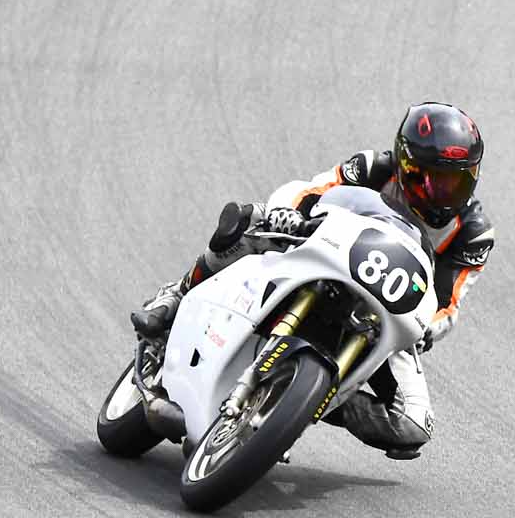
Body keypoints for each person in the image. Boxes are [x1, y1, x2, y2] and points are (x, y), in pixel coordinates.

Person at [131, 102, 492, 459]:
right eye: (432, 179)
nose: (443, 193)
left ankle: (298, 402)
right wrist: (287, 213)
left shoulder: (473, 233)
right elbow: (312, 189)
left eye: (456, 182)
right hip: (325, 251)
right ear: (405, 165)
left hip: (385, 307)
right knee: (251, 218)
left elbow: (448, 302)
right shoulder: (373, 167)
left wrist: (428, 327)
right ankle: (177, 295)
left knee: (413, 425)